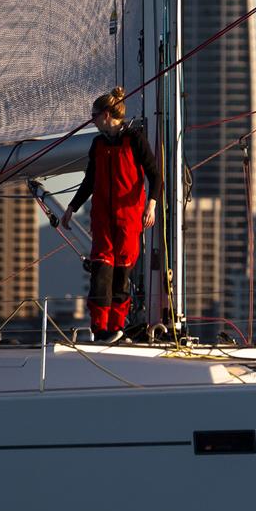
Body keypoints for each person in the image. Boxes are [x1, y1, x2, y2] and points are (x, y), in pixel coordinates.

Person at [61, 86, 158, 343]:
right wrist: (71, 207)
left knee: (121, 272)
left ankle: (116, 327)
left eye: (93, 115)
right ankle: (99, 327)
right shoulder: (98, 143)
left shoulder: (135, 139)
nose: (91, 119)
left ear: (105, 114)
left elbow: (155, 175)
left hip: (128, 217)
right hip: (102, 217)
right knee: (101, 270)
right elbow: (90, 179)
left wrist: (152, 204)